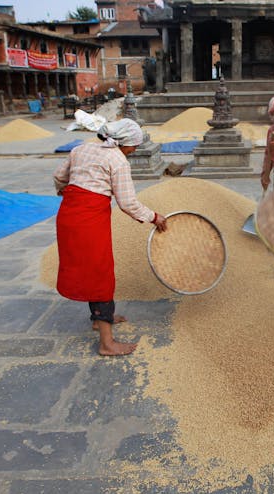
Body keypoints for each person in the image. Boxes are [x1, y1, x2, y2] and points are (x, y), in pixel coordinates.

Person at [53, 118, 168, 356]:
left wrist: (69, 193)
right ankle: (107, 343)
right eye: (134, 146)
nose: (134, 150)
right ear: (123, 143)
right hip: (89, 220)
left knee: (89, 268)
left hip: (68, 215)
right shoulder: (117, 160)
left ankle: (99, 319)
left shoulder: (80, 149)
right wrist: (154, 217)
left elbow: (59, 177)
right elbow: (127, 203)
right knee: (100, 272)